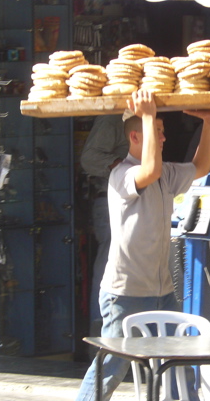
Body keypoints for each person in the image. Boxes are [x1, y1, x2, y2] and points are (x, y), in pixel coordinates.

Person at [75, 90, 210, 401]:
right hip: (124, 294)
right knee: (112, 368)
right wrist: (150, 115)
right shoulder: (122, 174)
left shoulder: (166, 173)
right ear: (136, 137)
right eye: (158, 132)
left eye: (162, 131)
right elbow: (148, 169)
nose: (164, 138)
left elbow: (201, 167)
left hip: (162, 291)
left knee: (175, 362)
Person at [80, 114, 128, 337]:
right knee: (109, 263)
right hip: (110, 199)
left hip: (126, 199)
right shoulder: (113, 117)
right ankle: (101, 327)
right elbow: (89, 158)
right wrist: (126, 168)